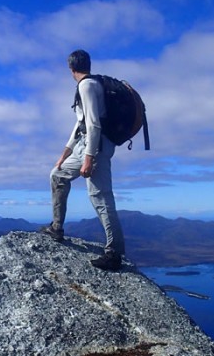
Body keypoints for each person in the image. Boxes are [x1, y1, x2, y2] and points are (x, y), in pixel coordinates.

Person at [40, 49, 126, 271]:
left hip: (94, 147)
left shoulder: (87, 86)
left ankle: (114, 253)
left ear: (71, 68)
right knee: (57, 174)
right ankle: (56, 228)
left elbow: (94, 124)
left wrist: (89, 158)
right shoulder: (88, 86)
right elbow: (81, 123)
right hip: (84, 145)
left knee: (99, 196)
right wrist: (65, 153)